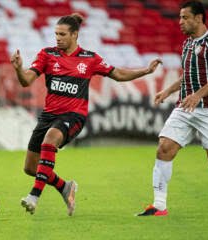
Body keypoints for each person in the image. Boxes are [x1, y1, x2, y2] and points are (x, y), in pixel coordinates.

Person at [10, 13, 162, 216]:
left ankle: (33, 196)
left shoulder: (90, 59)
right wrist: (19, 69)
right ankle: (65, 187)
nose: (58, 38)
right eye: (56, 34)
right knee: (31, 168)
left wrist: (145, 71)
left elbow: (118, 74)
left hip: (73, 116)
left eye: (62, 34)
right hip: (48, 115)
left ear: (74, 35)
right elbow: (26, 81)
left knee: (49, 141)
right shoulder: (47, 54)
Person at [137, 0, 208, 217]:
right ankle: (159, 206)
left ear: (199, 18)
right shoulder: (188, 43)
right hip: (185, 107)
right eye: (180, 17)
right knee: (164, 148)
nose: (180, 22)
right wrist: (167, 92)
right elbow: (187, 76)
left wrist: (198, 95)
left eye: (185, 17)